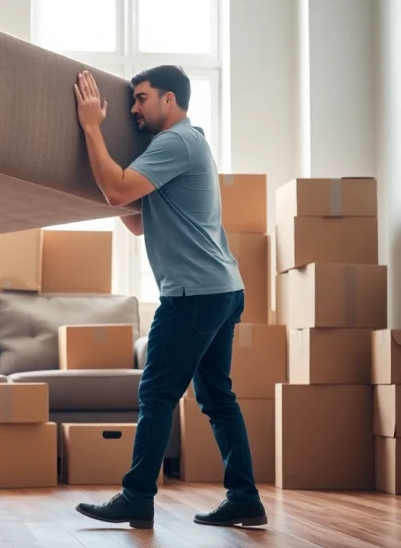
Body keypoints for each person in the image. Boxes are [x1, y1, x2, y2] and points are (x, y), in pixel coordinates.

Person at [71, 66, 267, 530]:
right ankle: (245, 499)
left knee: (156, 394)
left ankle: (137, 497)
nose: (135, 109)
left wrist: (92, 129)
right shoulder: (182, 146)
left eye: (141, 98)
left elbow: (118, 188)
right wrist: (102, 188)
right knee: (218, 398)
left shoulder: (175, 143)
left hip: (194, 295)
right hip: (219, 289)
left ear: (171, 100)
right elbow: (137, 218)